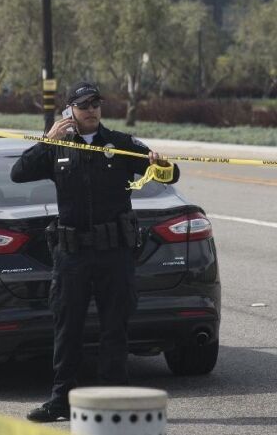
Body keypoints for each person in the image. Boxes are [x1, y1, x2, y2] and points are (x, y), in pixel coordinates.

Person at [11, 81, 180, 423]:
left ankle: (115, 398)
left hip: (113, 253)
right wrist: (48, 139)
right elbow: (18, 173)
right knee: (67, 327)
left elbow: (170, 173)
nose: (91, 110)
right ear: (69, 110)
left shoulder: (118, 144)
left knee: (115, 327)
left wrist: (158, 163)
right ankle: (61, 401)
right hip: (71, 254)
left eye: (95, 103)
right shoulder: (58, 147)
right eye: (84, 104)